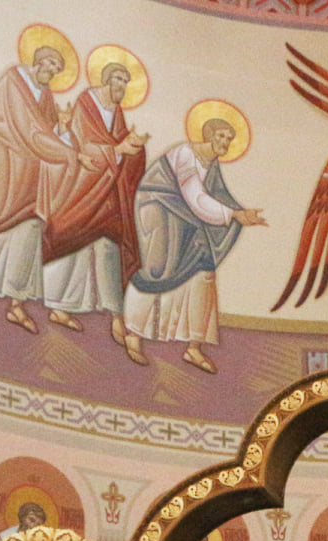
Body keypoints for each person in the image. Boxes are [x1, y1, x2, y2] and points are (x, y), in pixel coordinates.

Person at [123, 117, 267, 374]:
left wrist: (239, 213)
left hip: (186, 218)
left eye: (228, 139)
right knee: (158, 271)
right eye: (221, 136)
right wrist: (233, 215)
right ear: (209, 135)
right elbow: (195, 197)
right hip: (159, 208)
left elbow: (216, 197)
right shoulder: (186, 153)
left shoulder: (211, 164)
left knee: (205, 272)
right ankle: (133, 332)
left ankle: (194, 345)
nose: (224, 142)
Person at [0, 44, 77, 332]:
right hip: (3, 167)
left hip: (29, 175)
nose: (51, 71)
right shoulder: (13, 81)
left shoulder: (47, 96)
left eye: (56, 69)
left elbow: (44, 134)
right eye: (48, 64)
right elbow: (28, 130)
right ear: (36, 62)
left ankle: (16, 303)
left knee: (28, 232)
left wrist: (63, 130)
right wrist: (67, 153)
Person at [44, 56, 146, 348]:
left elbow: (119, 147)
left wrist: (133, 149)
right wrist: (118, 149)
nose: (122, 87)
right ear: (106, 79)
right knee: (71, 239)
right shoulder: (87, 103)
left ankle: (115, 313)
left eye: (126, 83)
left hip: (106, 196)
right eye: (118, 80)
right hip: (80, 190)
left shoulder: (116, 111)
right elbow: (84, 146)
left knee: (108, 246)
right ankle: (58, 305)